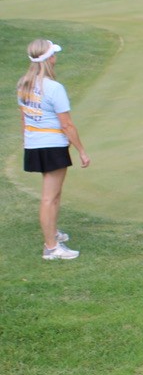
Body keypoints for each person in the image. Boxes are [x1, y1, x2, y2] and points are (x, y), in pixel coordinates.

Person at [16, 39, 90, 260]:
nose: (55, 58)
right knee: (50, 197)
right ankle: (51, 248)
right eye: (54, 55)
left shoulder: (23, 84)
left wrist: (27, 141)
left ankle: (53, 233)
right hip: (52, 145)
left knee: (54, 195)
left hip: (35, 144)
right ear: (49, 59)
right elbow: (67, 125)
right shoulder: (54, 88)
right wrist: (82, 150)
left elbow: (24, 118)